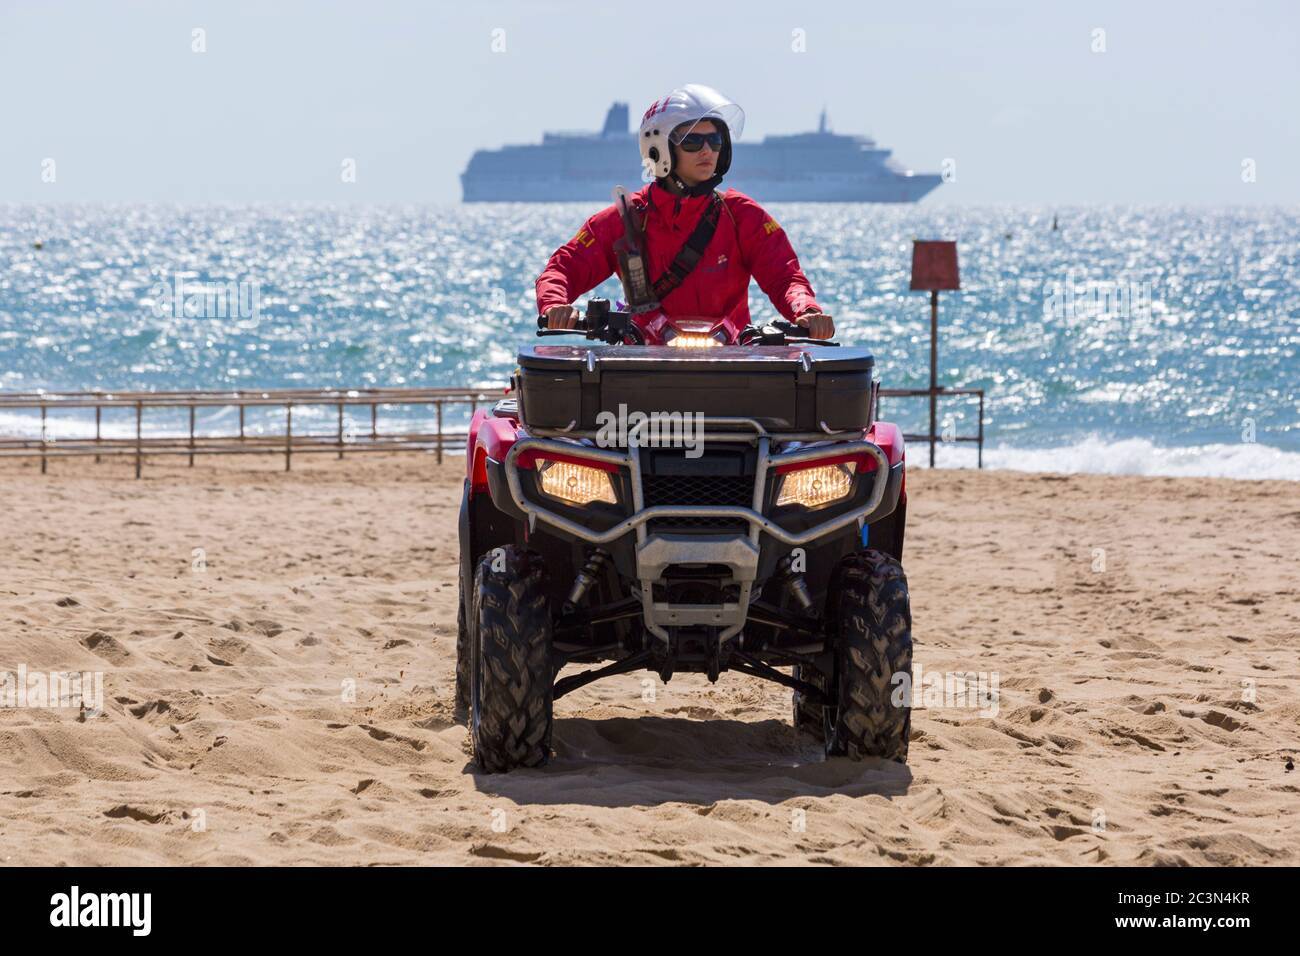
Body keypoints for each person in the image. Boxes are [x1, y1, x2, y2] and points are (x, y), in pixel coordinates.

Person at [536, 84, 834, 340]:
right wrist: (555, 306)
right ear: (659, 150)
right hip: (640, 369)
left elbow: (786, 277)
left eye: (714, 140)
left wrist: (806, 310)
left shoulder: (742, 216)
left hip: (733, 366)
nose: (707, 150)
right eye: (692, 141)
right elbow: (562, 269)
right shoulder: (625, 220)